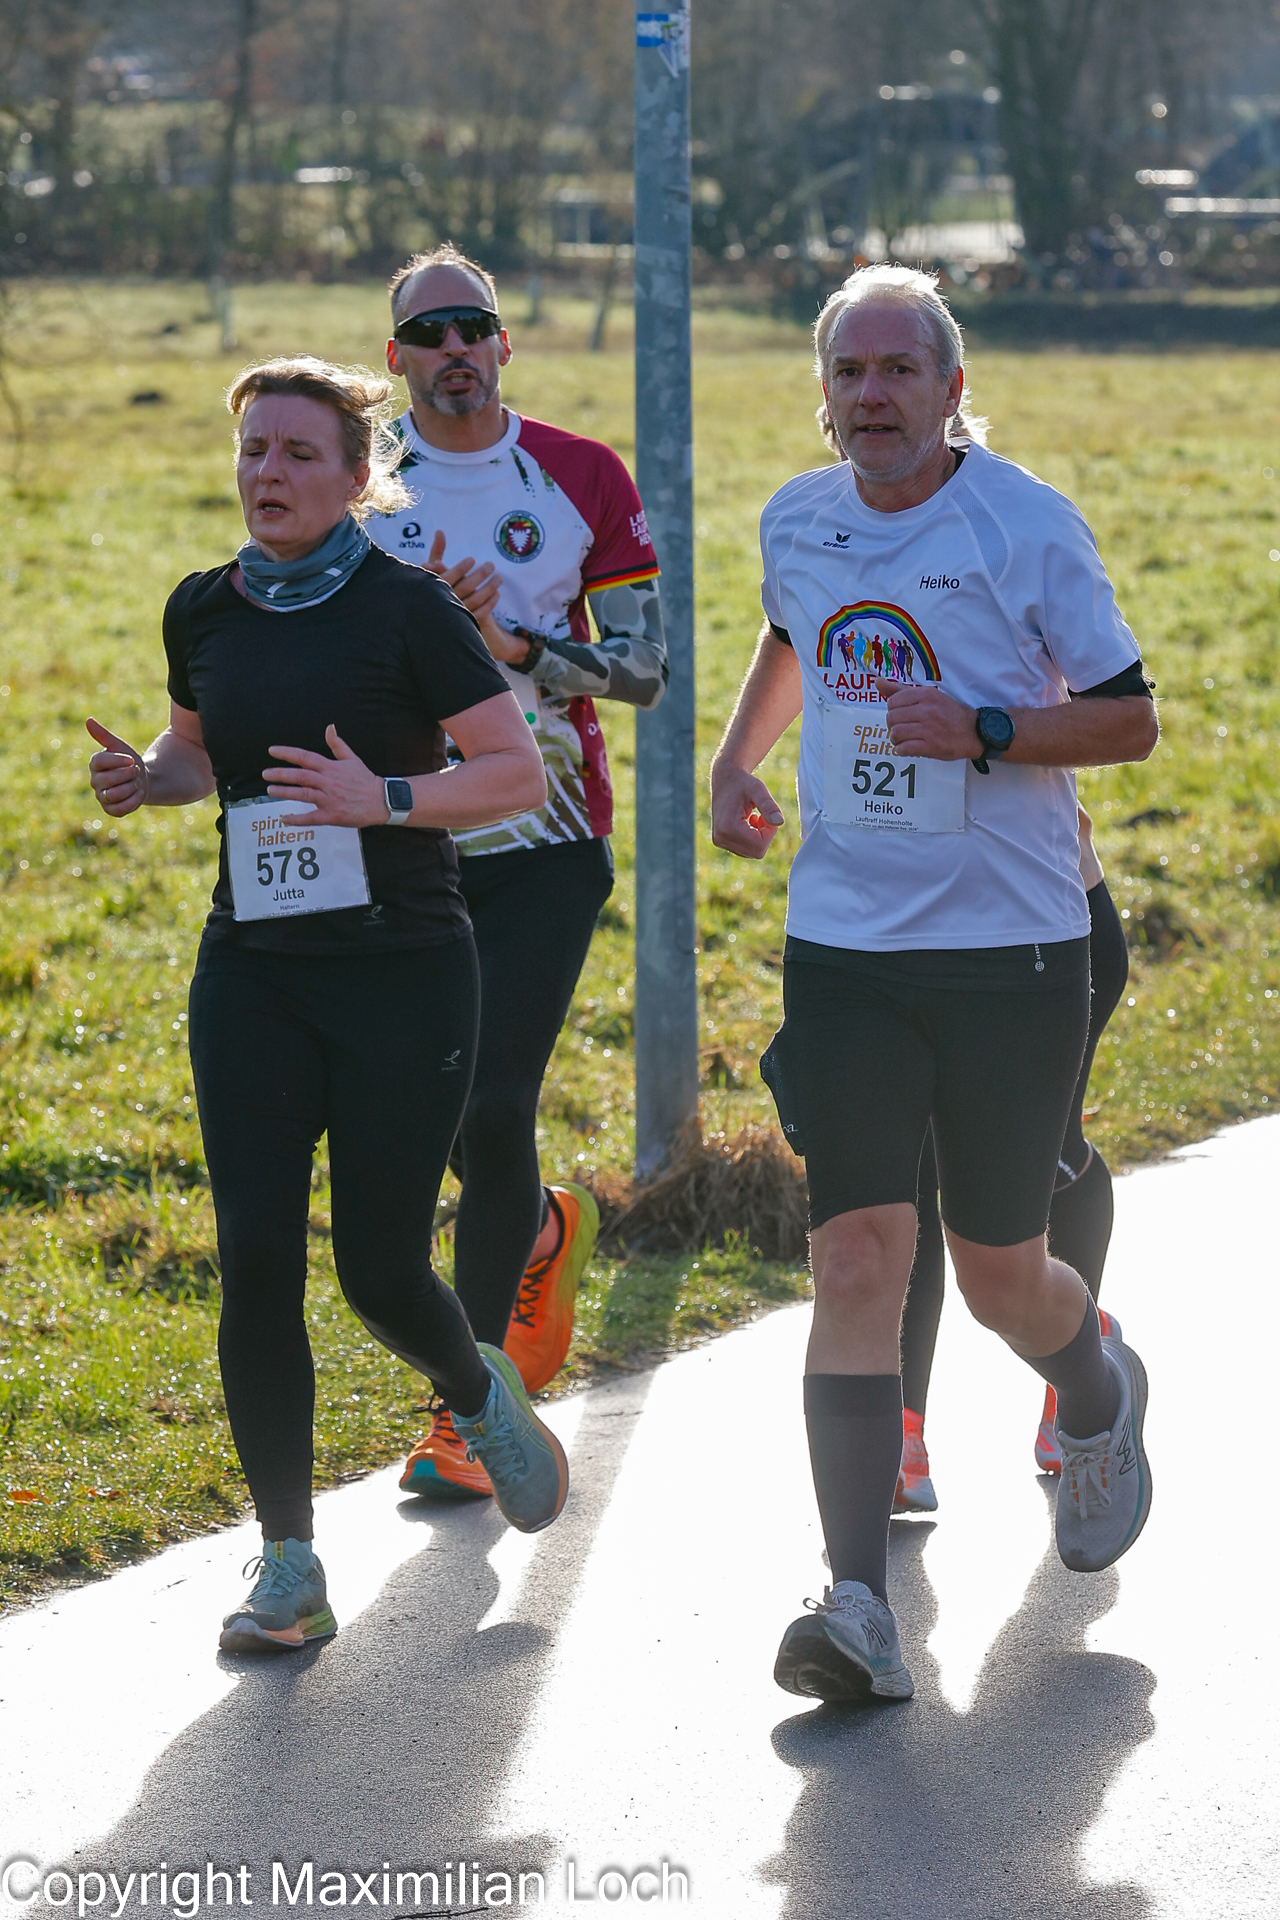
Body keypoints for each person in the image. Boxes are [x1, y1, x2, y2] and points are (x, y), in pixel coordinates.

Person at [711, 264, 1159, 1706]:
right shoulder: (799, 517)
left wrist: (981, 729)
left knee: (995, 1275)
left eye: (901, 369)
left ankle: (1094, 1389)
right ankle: (855, 1602)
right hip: (845, 946)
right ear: (823, 394)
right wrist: (736, 758)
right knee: (854, 1258)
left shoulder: (1023, 524)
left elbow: (1128, 721)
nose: (874, 395)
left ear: (952, 390)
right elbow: (795, 634)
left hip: (1009, 951)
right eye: (850, 372)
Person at [86, 356, 566, 1656]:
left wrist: (385, 800)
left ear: (358, 476)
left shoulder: (408, 610)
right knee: (254, 1259)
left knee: (376, 1269)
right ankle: (288, 1564)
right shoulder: (204, 607)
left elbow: (513, 772)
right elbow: (199, 748)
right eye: (254, 450)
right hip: (253, 972)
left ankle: (477, 1391)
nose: (269, 474)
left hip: (403, 973)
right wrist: (150, 777)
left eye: (300, 453)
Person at [365, 243, 667, 1501]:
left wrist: (512, 641)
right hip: (399, 838)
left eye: (471, 326)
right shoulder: (355, 474)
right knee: (421, 1110)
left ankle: (470, 1414)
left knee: (491, 1104)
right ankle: (543, 1225)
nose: (453, 348)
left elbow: (642, 671)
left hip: (545, 841)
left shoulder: (582, 474)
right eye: (428, 331)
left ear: (502, 343)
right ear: (394, 357)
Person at [895, 805, 1127, 1513]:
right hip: (894, 928)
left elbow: (1115, 735)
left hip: (1042, 932)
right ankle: (900, 1434)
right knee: (908, 1184)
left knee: (1052, 1157)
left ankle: (1078, 1359)